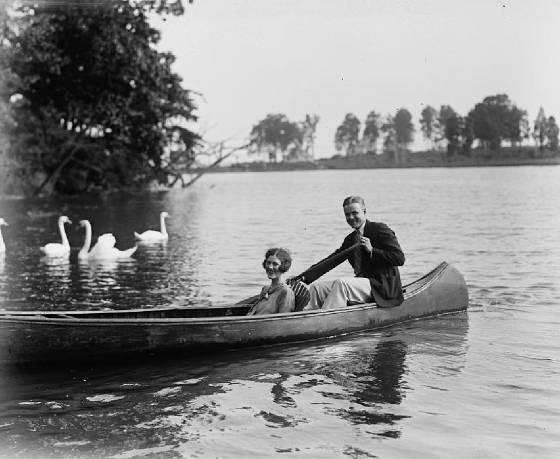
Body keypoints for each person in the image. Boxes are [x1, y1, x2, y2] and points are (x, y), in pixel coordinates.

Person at [303, 196, 405, 310]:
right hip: (363, 285)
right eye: (347, 215)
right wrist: (303, 277)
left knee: (341, 284)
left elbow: (399, 258)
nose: (351, 217)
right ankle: (304, 319)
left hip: (383, 287)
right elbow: (331, 261)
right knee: (317, 287)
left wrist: (372, 251)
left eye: (354, 213)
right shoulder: (350, 240)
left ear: (364, 211)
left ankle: (323, 321)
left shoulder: (380, 229)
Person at [247, 247, 296, 315]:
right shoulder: (265, 289)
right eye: (268, 262)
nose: (270, 267)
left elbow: (284, 321)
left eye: (275, 264)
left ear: (283, 266)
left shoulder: (286, 292)